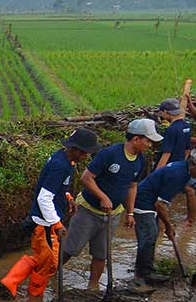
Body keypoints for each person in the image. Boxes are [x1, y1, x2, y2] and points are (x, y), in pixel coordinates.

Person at [0, 128, 100, 300]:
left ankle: (10, 283)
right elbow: (44, 197)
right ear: (75, 149)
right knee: (51, 262)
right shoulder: (60, 166)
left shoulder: (65, 160)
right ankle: (34, 297)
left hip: (46, 218)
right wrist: (56, 223)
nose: (86, 157)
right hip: (45, 222)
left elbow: (56, 188)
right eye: (85, 153)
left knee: (43, 257)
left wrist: (67, 196)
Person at [61, 118, 158, 290]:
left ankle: (93, 287)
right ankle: (48, 274)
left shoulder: (140, 160)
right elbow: (86, 178)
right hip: (88, 210)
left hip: (113, 214)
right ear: (136, 139)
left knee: (101, 254)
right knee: (71, 249)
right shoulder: (110, 154)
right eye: (148, 140)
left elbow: (132, 186)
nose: (150, 145)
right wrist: (102, 196)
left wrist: (130, 213)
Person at [133, 148, 196, 285]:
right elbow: (160, 204)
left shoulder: (183, 170)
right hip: (143, 202)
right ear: (192, 164)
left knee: (152, 235)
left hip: (150, 201)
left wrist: (167, 224)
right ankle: (143, 274)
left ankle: (144, 268)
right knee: (149, 235)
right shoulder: (178, 174)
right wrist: (168, 226)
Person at [154, 97, 192, 169]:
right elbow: (187, 150)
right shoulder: (187, 126)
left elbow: (166, 154)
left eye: (161, 113)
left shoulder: (171, 129)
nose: (161, 116)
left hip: (168, 168)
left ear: (165, 111)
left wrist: (156, 174)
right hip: (179, 167)